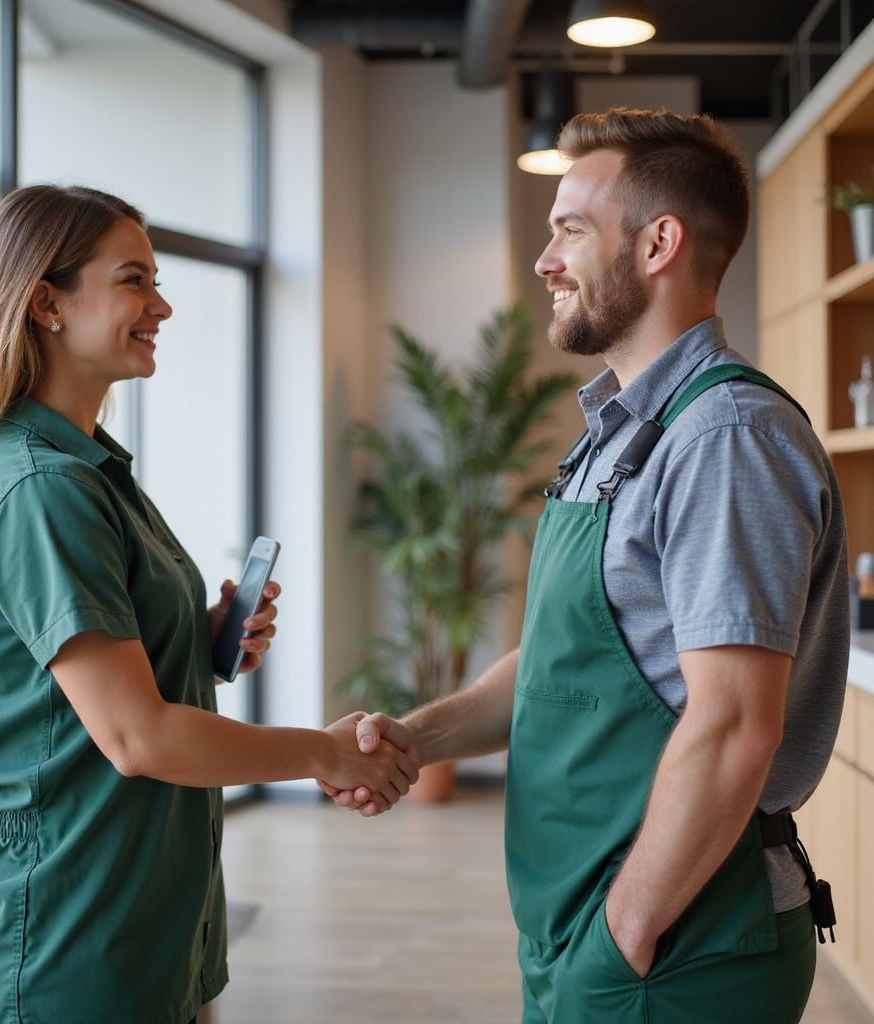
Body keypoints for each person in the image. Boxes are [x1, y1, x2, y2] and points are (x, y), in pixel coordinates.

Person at [321, 108, 849, 1023]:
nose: (544, 259)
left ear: (659, 244)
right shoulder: (621, 434)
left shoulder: (723, 438)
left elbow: (733, 729)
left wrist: (624, 935)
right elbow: (568, 663)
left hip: (682, 945)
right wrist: (418, 739)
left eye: (569, 229)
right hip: (592, 933)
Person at [0, 184, 418, 1024]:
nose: (162, 305)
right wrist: (325, 756)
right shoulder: (40, 487)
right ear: (47, 304)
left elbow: (94, 689)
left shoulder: (87, 467)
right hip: (61, 938)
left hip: (133, 912)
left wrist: (204, 637)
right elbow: (137, 738)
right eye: (134, 280)